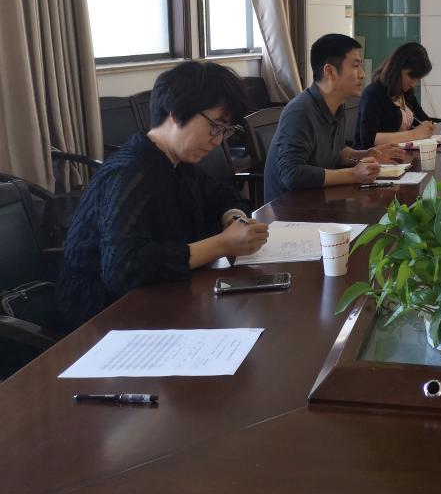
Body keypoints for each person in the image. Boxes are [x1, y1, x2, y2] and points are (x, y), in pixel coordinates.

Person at [56, 61, 271, 332]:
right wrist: (221, 245)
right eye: (215, 127)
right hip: (100, 319)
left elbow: (225, 197)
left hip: (158, 300)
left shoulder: (177, 164)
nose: (218, 141)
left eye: (225, 131)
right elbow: (122, 268)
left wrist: (234, 219)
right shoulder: (131, 172)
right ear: (176, 112)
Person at [263, 34, 404, 203]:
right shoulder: (300, 111)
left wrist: (364, 155)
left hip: (318, 200)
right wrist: (353, 174)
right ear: (329, 71)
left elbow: (336, 152)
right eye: (355, 66)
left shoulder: (337, 106)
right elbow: (292, 174)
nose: (362, 74)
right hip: (289, 209)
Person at [356, 42, 436, 148]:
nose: (414, 84)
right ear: (397, 69)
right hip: (374, 156)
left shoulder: (405, 92)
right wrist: (414, 134)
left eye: (418, 79)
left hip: (400, 153)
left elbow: (423, 119)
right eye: (412, 77)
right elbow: (368, 139)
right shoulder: (373, 94)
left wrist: (427, 126)